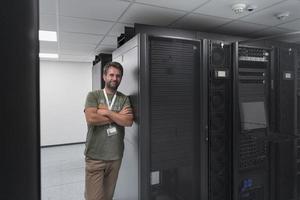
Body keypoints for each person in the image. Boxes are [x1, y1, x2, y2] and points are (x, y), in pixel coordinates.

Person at [84, 61, 133, 200]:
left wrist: (107, 113)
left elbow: (128, 121)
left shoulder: (124, 98)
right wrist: (118, 115)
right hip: (95, 157)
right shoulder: (93, 95)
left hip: (115, 157)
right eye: (111, 75)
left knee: (108, 196)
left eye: (118, 76)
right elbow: (91, 118)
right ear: (104, 76)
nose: (114, 78)